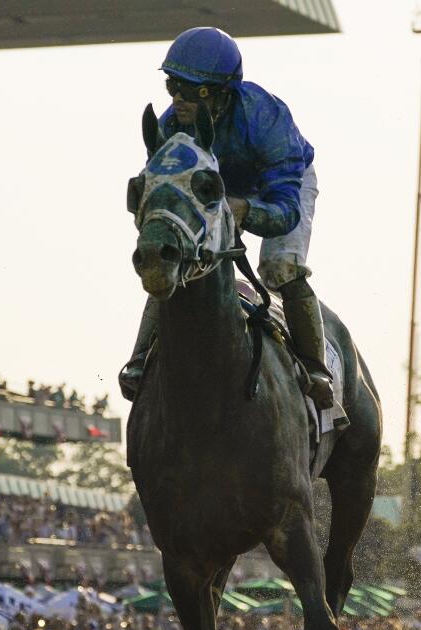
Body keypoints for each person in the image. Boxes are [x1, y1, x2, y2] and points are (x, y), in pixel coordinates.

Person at [119, 26, 333, 409]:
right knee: (179, 257)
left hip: (282, 184)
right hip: (215, 185)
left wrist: (246, 209)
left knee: (279, 268)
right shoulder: (170, 127)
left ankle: (317, 370)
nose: (178, 100)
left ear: (220, 92)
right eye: (172, 87)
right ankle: (139, 360)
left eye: (190, 90)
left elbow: (285, 212)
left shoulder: (266, 117)